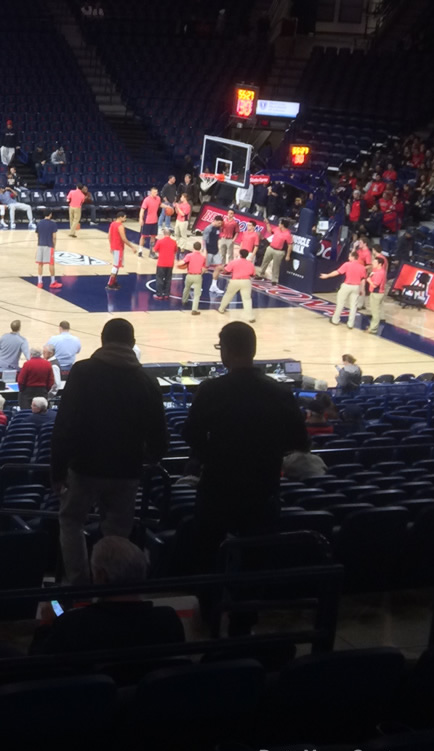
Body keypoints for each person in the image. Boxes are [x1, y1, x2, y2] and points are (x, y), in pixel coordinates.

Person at [182, 321, 309, 589]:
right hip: (263, 488)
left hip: (218, 486)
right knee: (255, 559)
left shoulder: (211, 390)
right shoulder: (279, 392)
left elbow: (190, 436)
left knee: (207, 553)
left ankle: (208, 612)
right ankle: (246, 620)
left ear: (226, 351)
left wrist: (212, 454)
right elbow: (300, 441)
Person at [50, 317, 168, 587]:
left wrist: (57, 471)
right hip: (127, 472)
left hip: (84, 468)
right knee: (117, 533)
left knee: (71, 521)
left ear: (102, 339)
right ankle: (113, 588)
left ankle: (79, 585)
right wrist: (146, 460)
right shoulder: (147, 381)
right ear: (133, 343)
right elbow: (160, 438)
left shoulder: (82, 372)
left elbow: (64, 425)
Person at [29, 537, 185, 657]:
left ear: (101, 576)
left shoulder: (74, 625)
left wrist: (46, 625)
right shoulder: (168, 620)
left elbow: (36, 667)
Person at [321, 254, 368, 326]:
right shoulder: (362, 267)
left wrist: (327, 275)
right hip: (356, 287)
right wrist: (362, 289)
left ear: (353, 257)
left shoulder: (347, 264)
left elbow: (337, 272)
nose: (348, 257)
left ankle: (335, 320)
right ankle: (350, 323)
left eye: (349, 256)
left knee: (340, 303)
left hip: (347, 286)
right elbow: (363, 279)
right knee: (353, 306)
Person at [215, 248, 258, 322]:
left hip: (235, 281)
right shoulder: (250, 264)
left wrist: (220, 268)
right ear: (247, 255)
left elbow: (226, 271)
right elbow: (253, 274)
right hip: (246, 281)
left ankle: (221, 309)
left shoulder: (234, 262)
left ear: (240, 254)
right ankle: (250, 317)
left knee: (228, 295)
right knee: (247, 299)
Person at [34, 211, 62, 290]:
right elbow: (54, 237)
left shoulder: (39, 223)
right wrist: (54, 246)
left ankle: (39, 282)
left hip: (40, 245)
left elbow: (37, 234)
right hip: (49, 245)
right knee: (51, 264)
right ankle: (52, 282)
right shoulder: (53, 224)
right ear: (50, 214)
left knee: (40, 264)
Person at [260, 219, 292, 284]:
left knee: (276, 266)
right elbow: (270, 231)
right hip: (270, 248)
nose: (278, 224)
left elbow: (290, 245)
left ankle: (274, 279)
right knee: (265, 261)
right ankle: (261, 274)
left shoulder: (288, 234)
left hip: (279, 252)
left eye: (280, 223)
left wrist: (288, 255)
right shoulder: (277, 229)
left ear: (282, 225)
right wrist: (267, 224)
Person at [180, 240, 207, 315]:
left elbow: (183, 262)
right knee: (197, 294)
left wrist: (178, 265)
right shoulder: (203, 257)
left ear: (193, 247)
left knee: (186, 288)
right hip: (198, 276)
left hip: (189, 275)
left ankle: (184, 301)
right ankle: (194, 310)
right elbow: (204, 268)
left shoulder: (189, 255)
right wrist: (200, 274)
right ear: (200, 248)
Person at [152, 228, 179, 300]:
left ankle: (159, 295)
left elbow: (154, 250)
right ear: (170, 234)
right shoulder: (174, 242)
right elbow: (176, 251)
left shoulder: (160, 241)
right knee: (168, 279)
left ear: (164, 234)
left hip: (161, 263)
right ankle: (166, 294)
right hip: (170, 263)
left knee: (159, 279)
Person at [105, 212, 129, 290]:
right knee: (115, 266)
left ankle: (114, 281)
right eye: (124, 217)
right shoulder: (120, 226)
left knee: (117, 265)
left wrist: (111, 246)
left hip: (114, 247)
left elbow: (109, 235)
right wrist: (132, 247)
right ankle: (110, 283)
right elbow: (124, 239)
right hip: (118, 248)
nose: (125, 219)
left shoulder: (112, 224)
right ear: (120, 217)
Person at [366, 254, 389, 333]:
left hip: (377, 293)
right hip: (377, 293)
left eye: (375, 263)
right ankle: (373, 326)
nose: (373, 263)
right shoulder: (378, 271)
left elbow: (375, 284)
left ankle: (373, 329)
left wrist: (368, 280)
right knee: (375, 311)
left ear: (380, 264)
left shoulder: (380, 273)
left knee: (375, 312)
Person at [137, 188, 161, 257]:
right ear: (151, 193)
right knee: (143, 236)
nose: (156, 193)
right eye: (154, 192)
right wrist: (141, 219)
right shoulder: (147, 200)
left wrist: (168, 207)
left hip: (155, 221)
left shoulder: (158, 198)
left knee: (153, 236)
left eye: (156, 192)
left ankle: (151, 252)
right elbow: (142, 210)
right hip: (147, 221)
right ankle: (140, 250)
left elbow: (160, 204)